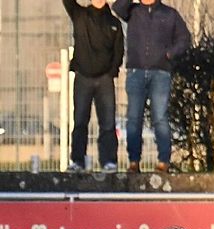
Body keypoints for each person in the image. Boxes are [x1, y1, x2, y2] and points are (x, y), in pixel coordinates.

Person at [112, 0, 191, 173]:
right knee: (133, 118)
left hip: (160, 73)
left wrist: (170, 53)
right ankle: (134, 161)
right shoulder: (132, 11)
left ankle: (163, 160)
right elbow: (117, 7)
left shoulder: (170, 14)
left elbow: (185, 39)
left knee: (160, 117)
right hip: (135, 71)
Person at [62, 0, 124, 174]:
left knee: (108, 123)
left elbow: (119, 51)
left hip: (105, 80)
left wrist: (111, 71)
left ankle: (109, 161)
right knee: (80, 121)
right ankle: (77, 161)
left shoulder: (114, 23)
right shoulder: (79, 15)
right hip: (83, 78)